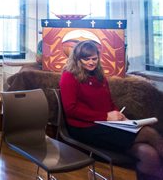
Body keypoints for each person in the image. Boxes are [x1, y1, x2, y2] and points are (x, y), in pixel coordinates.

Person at [60, 40, 163, 179]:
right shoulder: (69, 76)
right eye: (86, 59)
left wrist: (121, 117)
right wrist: (106, 117)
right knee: (150, 133)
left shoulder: (99, 76)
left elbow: (109, 104)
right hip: (84, 128)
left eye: (94, 58)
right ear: (77, 59)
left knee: (148, 153)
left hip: (105, 125)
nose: (91, 62)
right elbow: (71, 109)